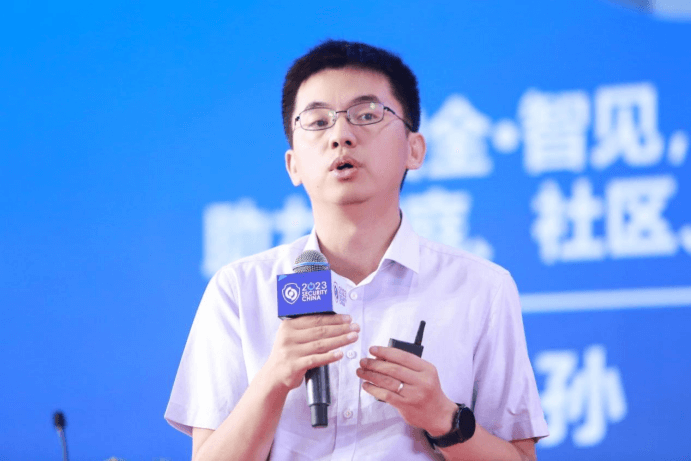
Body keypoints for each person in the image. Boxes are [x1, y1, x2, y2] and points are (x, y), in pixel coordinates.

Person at [165, 39, 549, 461]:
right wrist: (273, 379)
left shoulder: (481, 288)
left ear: (414, 149)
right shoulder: (240, 289)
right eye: (317, 121)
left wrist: (443, 417)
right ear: (293, 165)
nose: (341, 136)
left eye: (367, 115)